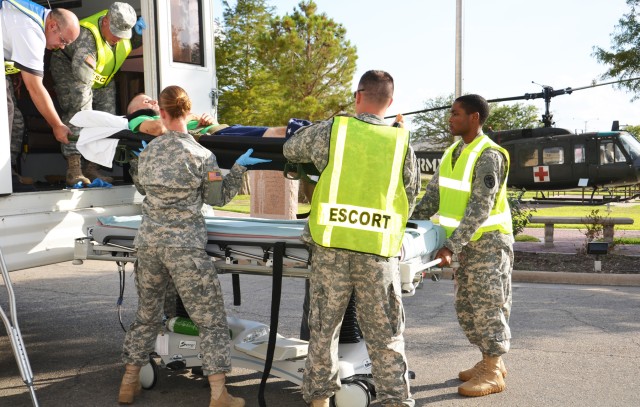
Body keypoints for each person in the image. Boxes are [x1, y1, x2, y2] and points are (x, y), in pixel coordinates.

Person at [118, 85, 269, 406]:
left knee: (146, 316)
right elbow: (218, 197)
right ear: (187, 113)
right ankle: (219, 394)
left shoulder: (149, 152)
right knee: (211, 322)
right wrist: (240, 167)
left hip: (149, 245)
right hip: (185, 248)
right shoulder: (202, 155)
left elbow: (143, 187)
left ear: (161, 112)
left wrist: (137, 163)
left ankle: (128, 383)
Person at [283, 70, 420, 407]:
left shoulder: (335, 130)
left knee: (323, 332)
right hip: (377, 253)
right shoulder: (401, 141)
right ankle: (396, 402)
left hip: (331, 247)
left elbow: (291, 148)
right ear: (389, 102)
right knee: (386, 337)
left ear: (358, 97)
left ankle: (319, 402)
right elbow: (411, 193)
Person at [412, 94, 514, 397]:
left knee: (488, 306)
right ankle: (488, 360)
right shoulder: (452, 153)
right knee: (467, 308)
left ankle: (493, 370)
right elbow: (433, 197)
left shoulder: (488, 155)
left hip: (488, 244)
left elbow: (480, 208)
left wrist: (451, 246)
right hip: (464, 245)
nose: (450, 119)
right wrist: (406, 227)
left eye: (456, 114)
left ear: (474, 118)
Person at [50, 2, 144, 186]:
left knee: (108, 117)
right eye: (115, 32)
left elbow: (126, 44)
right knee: (80, 112)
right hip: (71, 70)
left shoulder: (122, 32)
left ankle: (92, 167)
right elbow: (83, 83)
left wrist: (138, 37)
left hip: (101, 77)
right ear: (106, 21)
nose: (118, 38)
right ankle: (74, 167)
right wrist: (88, 108)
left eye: (123, 33)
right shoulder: (87, 38)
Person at [2, 0, 80, 188]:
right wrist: (57, 125)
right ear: (52, 25)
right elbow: (35, 88)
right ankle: (2, 178)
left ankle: (4, 175)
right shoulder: (31, 30)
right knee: (4, 112)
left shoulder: (37, 15)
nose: (62, 47)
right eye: (63, 40)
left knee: (8, 110)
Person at [126, 93, 287, 138]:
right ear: (135, 110)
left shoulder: (163, 116)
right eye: (147, 101)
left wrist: (209, 120)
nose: (154, 101)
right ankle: (302, 132)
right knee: (273, 133)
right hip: (214, 135)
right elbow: (156, 129)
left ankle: (302, 131)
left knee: (273, 133)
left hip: (218, 129)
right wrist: (186, 117)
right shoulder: (138, 119)